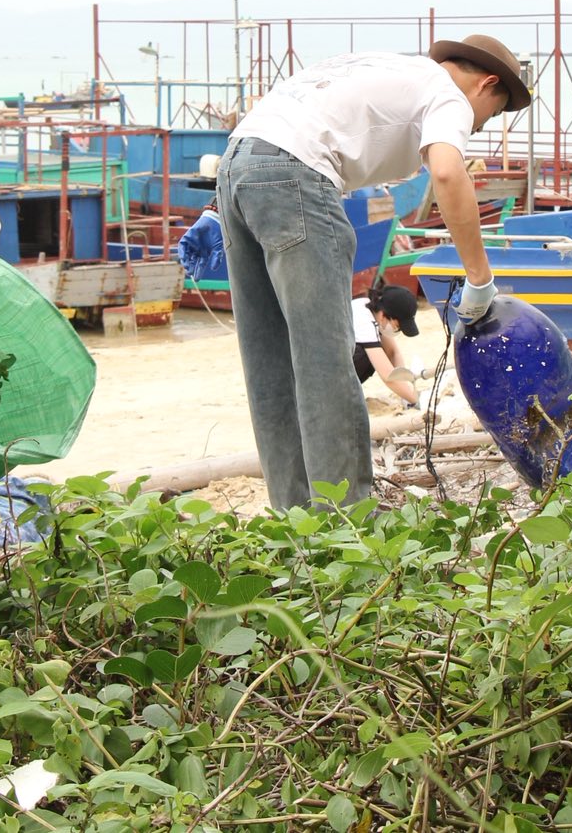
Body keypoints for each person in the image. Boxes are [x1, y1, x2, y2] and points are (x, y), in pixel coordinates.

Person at [218, 35, 530, 509]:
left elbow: (275, 130)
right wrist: (480, 278)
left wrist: (214, 211)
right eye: (488, 116)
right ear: (487, 85)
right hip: (298, 176)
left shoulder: (380, 67)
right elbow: (447, 173)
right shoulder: (448, 93)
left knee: (269, 364)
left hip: (236, 165)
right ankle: (346, 521)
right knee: (324, 362)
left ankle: (294, 519)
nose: (478, 126)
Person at [353, 285, 424, 408]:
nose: (397, 330)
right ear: (383, 315)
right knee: (365, 356)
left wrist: (406, 390)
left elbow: (392, 352)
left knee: (379, 350)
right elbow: (388, 376)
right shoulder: (363, 319)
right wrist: (416, 400)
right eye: (397, 326)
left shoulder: (373, 309)